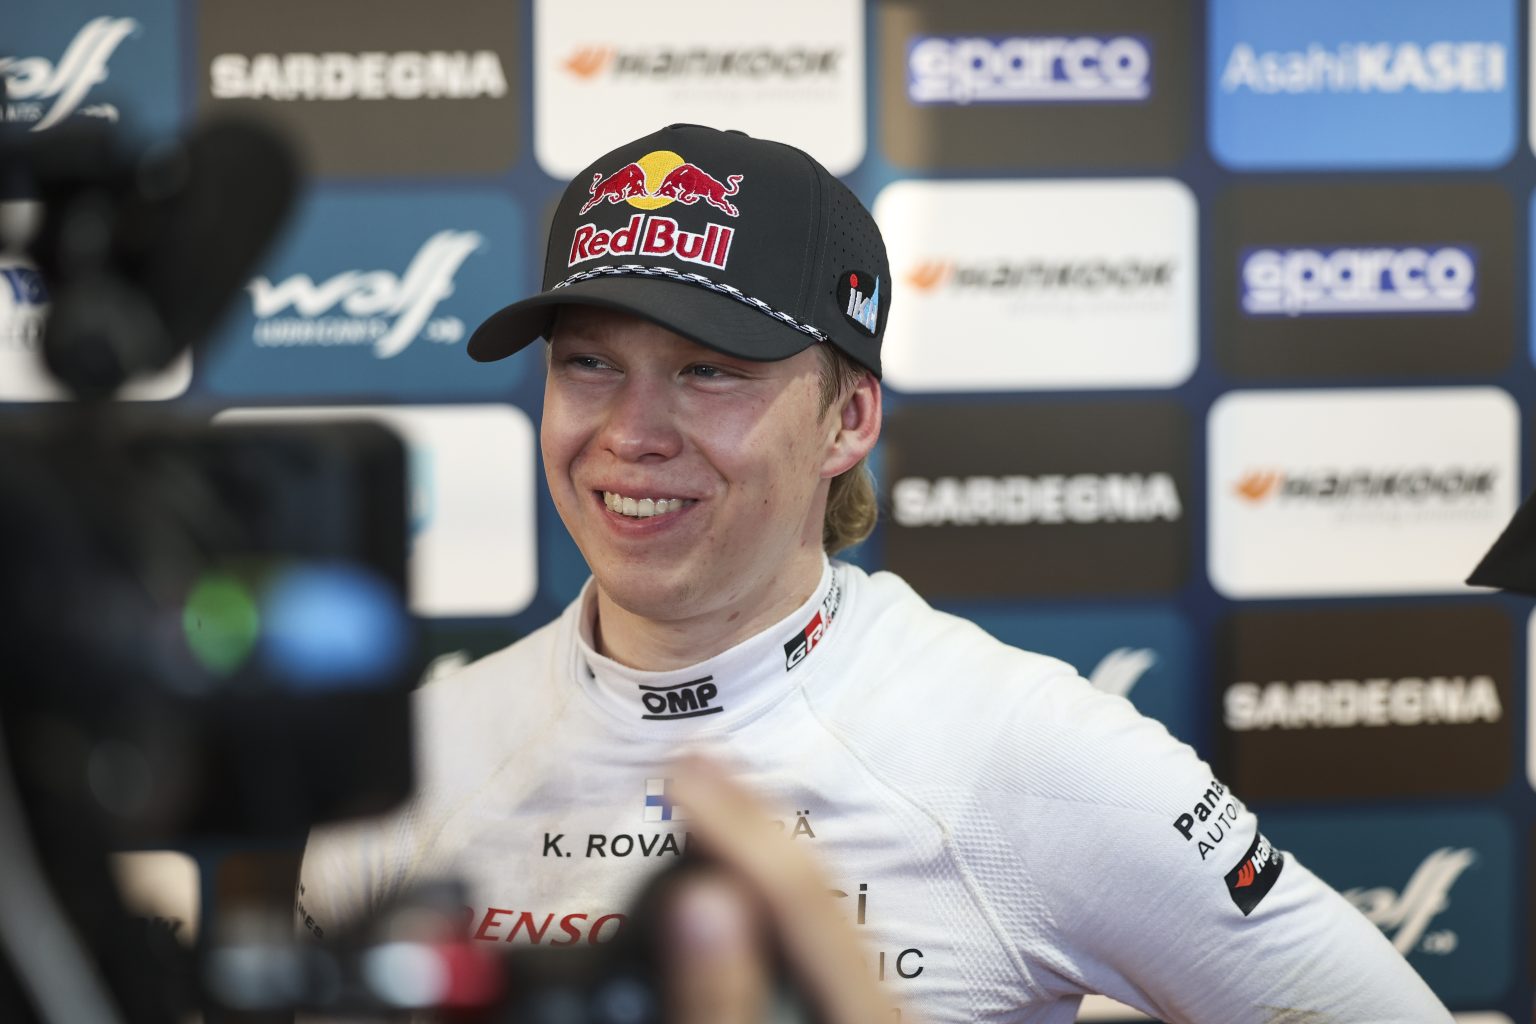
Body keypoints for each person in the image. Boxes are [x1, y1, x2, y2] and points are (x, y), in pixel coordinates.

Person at [298, 123, 1452, 1022]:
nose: (632, 433)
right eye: (589, 363)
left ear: (847, 418)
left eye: (707, 371)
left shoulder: (1023, 753)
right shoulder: (408, 763)